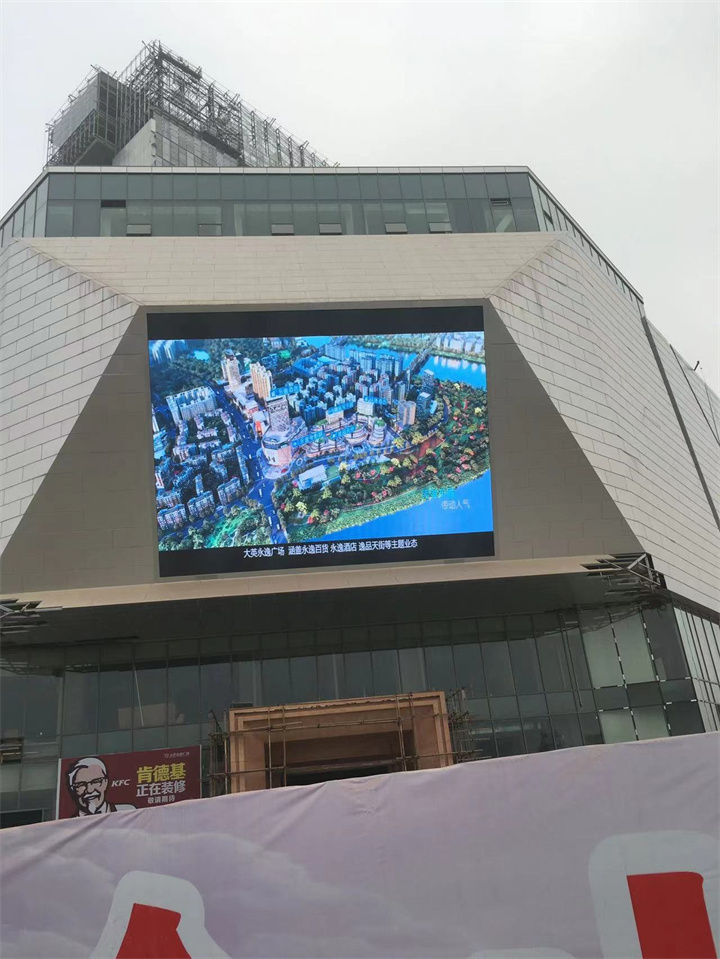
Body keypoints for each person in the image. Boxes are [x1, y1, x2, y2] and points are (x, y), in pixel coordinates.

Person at [67, 757, 136, 817]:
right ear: (73, 789)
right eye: (81, 784)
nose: (90, 790)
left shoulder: (127, 812)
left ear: (106, 782)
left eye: (96, 781)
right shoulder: (68, 825)